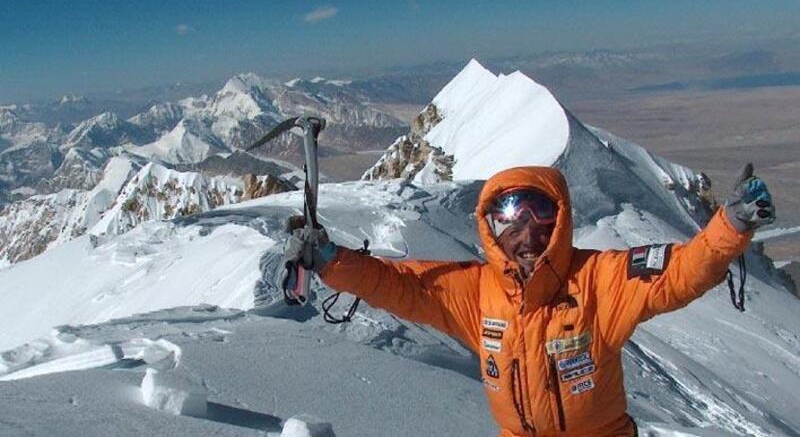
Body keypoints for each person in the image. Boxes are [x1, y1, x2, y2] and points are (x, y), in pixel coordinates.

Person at [283, 163, 775, 437]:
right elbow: (402, 285)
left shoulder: (598, 280)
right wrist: (329, 258)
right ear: (491, 228)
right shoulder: (477, 293)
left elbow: (681, 271)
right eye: (509, 219)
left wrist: (730, 226)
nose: (526, 232)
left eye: (539, 213)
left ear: (559, 218)